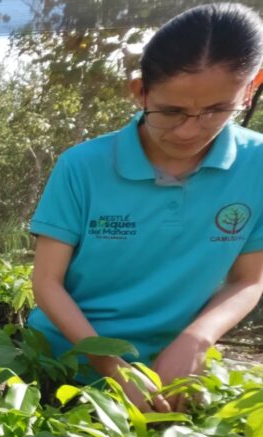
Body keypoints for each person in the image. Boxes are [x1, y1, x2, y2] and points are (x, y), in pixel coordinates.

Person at [29, 3, 263, 413]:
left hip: (172, 374)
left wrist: (196, 340)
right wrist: (111, 366)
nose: (189, 130)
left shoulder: (255, 166)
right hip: (64, 361)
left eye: (215, 111)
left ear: (250, 88)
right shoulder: (83, 166)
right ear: (140, 92)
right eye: (171, 111)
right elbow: (47, 282)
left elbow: (250, 279)